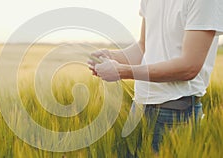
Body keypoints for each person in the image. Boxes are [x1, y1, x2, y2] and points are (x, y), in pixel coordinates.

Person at [88, 0, 223, 152]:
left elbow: (189, 67)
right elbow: (143, 48)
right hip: (138, 108)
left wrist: (122, 71)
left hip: (176, 112)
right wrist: (112, 56)